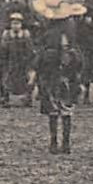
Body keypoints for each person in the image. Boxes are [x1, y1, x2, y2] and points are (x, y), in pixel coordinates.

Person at [34, 24, 84, 154]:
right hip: (57, 81)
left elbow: (38, 64)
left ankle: (59, 142)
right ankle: (57, 142)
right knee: (58, 111)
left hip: (62, 81)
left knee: (58, 111)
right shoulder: (67, 44)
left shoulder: (68, 49)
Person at [0, 8, 34, 108]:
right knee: (6, 78)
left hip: (23, 59)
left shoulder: (26, 34)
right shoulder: (6, 34)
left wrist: (28, 59)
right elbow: (3, 48)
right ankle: (5, 98)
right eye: (13, 23)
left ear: (21, 24)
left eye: (18, 23)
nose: (15, 25)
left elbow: (29, 48)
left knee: (26, 78)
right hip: (10, 59)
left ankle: (28, 98)